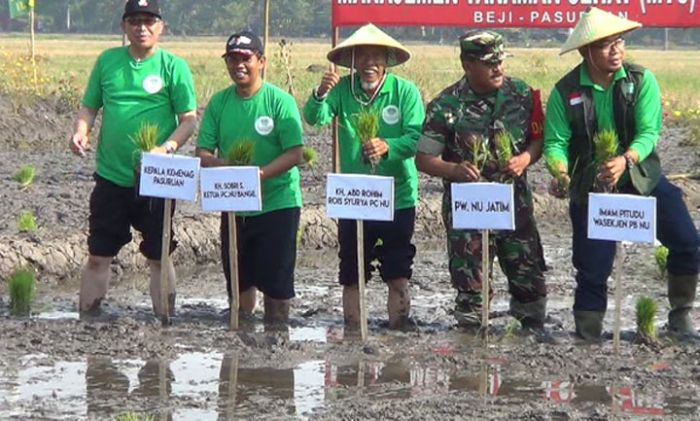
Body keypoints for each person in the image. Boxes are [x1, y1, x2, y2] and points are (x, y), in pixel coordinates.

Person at [544, 7, 700, 340]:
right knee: (592, 266)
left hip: (641, 177)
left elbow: (648, 132)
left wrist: (625, 159)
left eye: (619, 42)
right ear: (586, 51)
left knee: (687, 242)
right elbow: (556, 143)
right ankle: (589, 333)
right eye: (605, 45)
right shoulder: (565, 91)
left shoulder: (641, 80)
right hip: (591, 185)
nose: (616, 51)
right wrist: (560, 173)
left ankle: (681, 315)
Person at [69, 0, 197, 318]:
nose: (142, 27)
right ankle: (87, 319)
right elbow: (89, 107)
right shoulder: (108, 61)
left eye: (149, 21)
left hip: (157, 177)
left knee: (158, 255)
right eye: (135, 21)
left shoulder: (174, 66)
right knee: (99, 255)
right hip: (112, 176)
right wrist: (81, 130)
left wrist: (166, 147)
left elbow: (189, 120)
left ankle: (164, 320)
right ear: (124, 27)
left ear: (161, 27)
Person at [416, 31, 548, 332]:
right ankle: (470, 354)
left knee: (528, 280)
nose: (498, 68)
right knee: (472, 290)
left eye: (500, 60)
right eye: (489, 63)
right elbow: (424, 159)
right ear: (467, 64)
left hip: (515, 206)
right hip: (470, 212)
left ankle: (530, 346)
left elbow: (538, 141)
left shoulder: (522, 94)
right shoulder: (446, 104)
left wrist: (526, 158)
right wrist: (453, 170)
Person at [303, 23, 425, 330]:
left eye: (376, 56)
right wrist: (321, 93)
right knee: (352, 269)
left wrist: (388, 146)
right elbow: (314, 119)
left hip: (398, 195)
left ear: (386, 60)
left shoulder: (405, 92)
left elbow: (416, 138)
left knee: (397, 268)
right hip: (355, 197)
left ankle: (398, 326)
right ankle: (353, 329)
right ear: (354, 60)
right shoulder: (343, 90)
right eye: (363, 56)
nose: (369, 63)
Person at [196, 31, 304, 325]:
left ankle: (277, 344)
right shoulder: (219, 104)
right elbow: (203, 153)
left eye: (246, 58)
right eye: (232, 59)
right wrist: (226, 165)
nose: (239, 65)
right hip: (234, 206)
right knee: (239, 283)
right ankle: (241, 350)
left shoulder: (279, 101)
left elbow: (295, 153)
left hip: (277, 204)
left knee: (277, 286)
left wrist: (260, 175)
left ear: (261, 61)